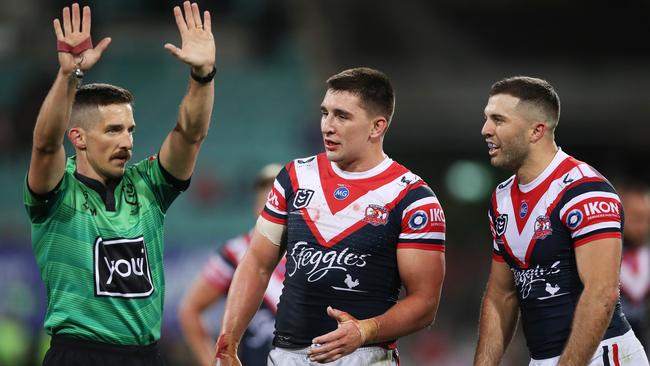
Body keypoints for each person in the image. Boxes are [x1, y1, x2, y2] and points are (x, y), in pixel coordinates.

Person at [23, 2, 215, 365]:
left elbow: (190, 135)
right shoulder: (55, 192)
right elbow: (45, 144)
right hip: (79, 355)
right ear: (78, 138)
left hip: (145, 356)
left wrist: (203, 75)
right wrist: (68, 76)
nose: (127, 141)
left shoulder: (149, 186)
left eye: (130, 130)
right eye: (113, 130)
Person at [214, 67, 446, 365]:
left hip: (361, 356)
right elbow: (257, 263)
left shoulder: (414, 200)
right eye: (325, 113)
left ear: (376, 127)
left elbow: (425, 304)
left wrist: (365, 330)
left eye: (342, 116)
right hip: (285, 356)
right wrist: (228, 343)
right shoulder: (294, 177)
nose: (327, 125)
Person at [474, 76, 649, 366]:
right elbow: (500, 295)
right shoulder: (501, 199)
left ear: (536, 130)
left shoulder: (585, 190)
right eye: (486, 119)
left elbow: (602, 294)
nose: (486, 130)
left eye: (499, 120)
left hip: (602, 356)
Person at [178, 163, 286, 366]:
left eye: (278, 193)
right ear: (256, 206)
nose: (272, 199)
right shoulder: (235, 253)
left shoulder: (311, 254)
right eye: (266, 193)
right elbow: (190, 310)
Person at [617, 179, 650, 350]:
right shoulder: (604, 256)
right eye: (636, 218)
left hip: (640, 342)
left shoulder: (644, 255)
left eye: (646, 220)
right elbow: (637, 289)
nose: (642, 227)